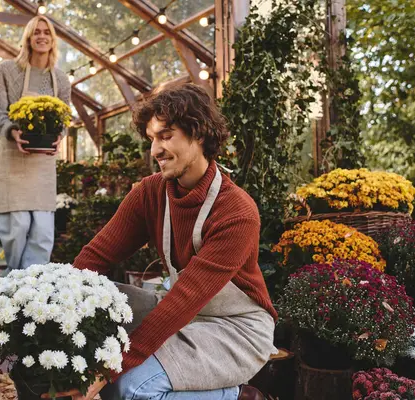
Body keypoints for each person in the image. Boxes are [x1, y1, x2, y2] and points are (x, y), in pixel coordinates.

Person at [49, 83, 277, 400]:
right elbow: (96, 256)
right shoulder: (150, 192)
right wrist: (55, 311)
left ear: (199, 134)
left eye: (166, 135)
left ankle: (238, 397)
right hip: (188, 318)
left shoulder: (236, 212)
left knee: (133, 387)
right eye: (152, 138)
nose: (155, 150)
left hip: (236, 330)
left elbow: (183, 300)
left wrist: (106, 370)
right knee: (101, 296)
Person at [0, 15, 71, 273]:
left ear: (52, 39)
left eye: (46, 32)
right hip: (13, 157)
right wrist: (13, 131)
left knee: (44, 231)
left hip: (42, 161)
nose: (42, 36)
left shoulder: (61, 79)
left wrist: (59, 135)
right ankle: (14, 277)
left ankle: (33, 283)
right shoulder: (8, 70)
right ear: (28, 38)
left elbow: (65, 118)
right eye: (36, 32)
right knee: (18, 225)